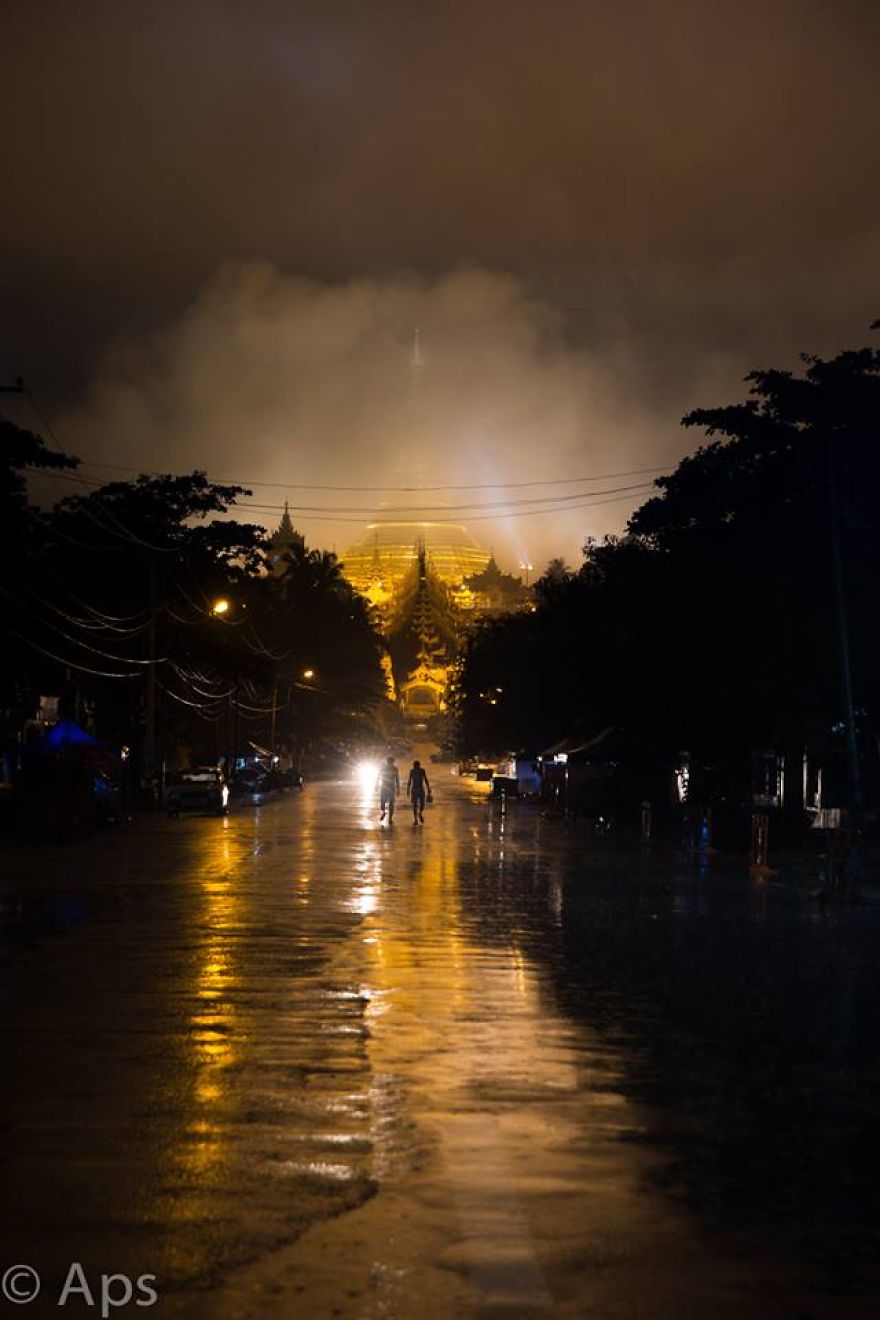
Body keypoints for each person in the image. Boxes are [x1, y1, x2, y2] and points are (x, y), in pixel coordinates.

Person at [378, 756, 400, 823]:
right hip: (391, 787)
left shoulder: (385, 768)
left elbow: (378, 776)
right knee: (391, 803)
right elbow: (397, 779)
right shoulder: (394, 768)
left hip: (385, 787)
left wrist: (375, 785)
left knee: (383, 801)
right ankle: (389, 818)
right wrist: (398, 789)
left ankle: (384, 813)